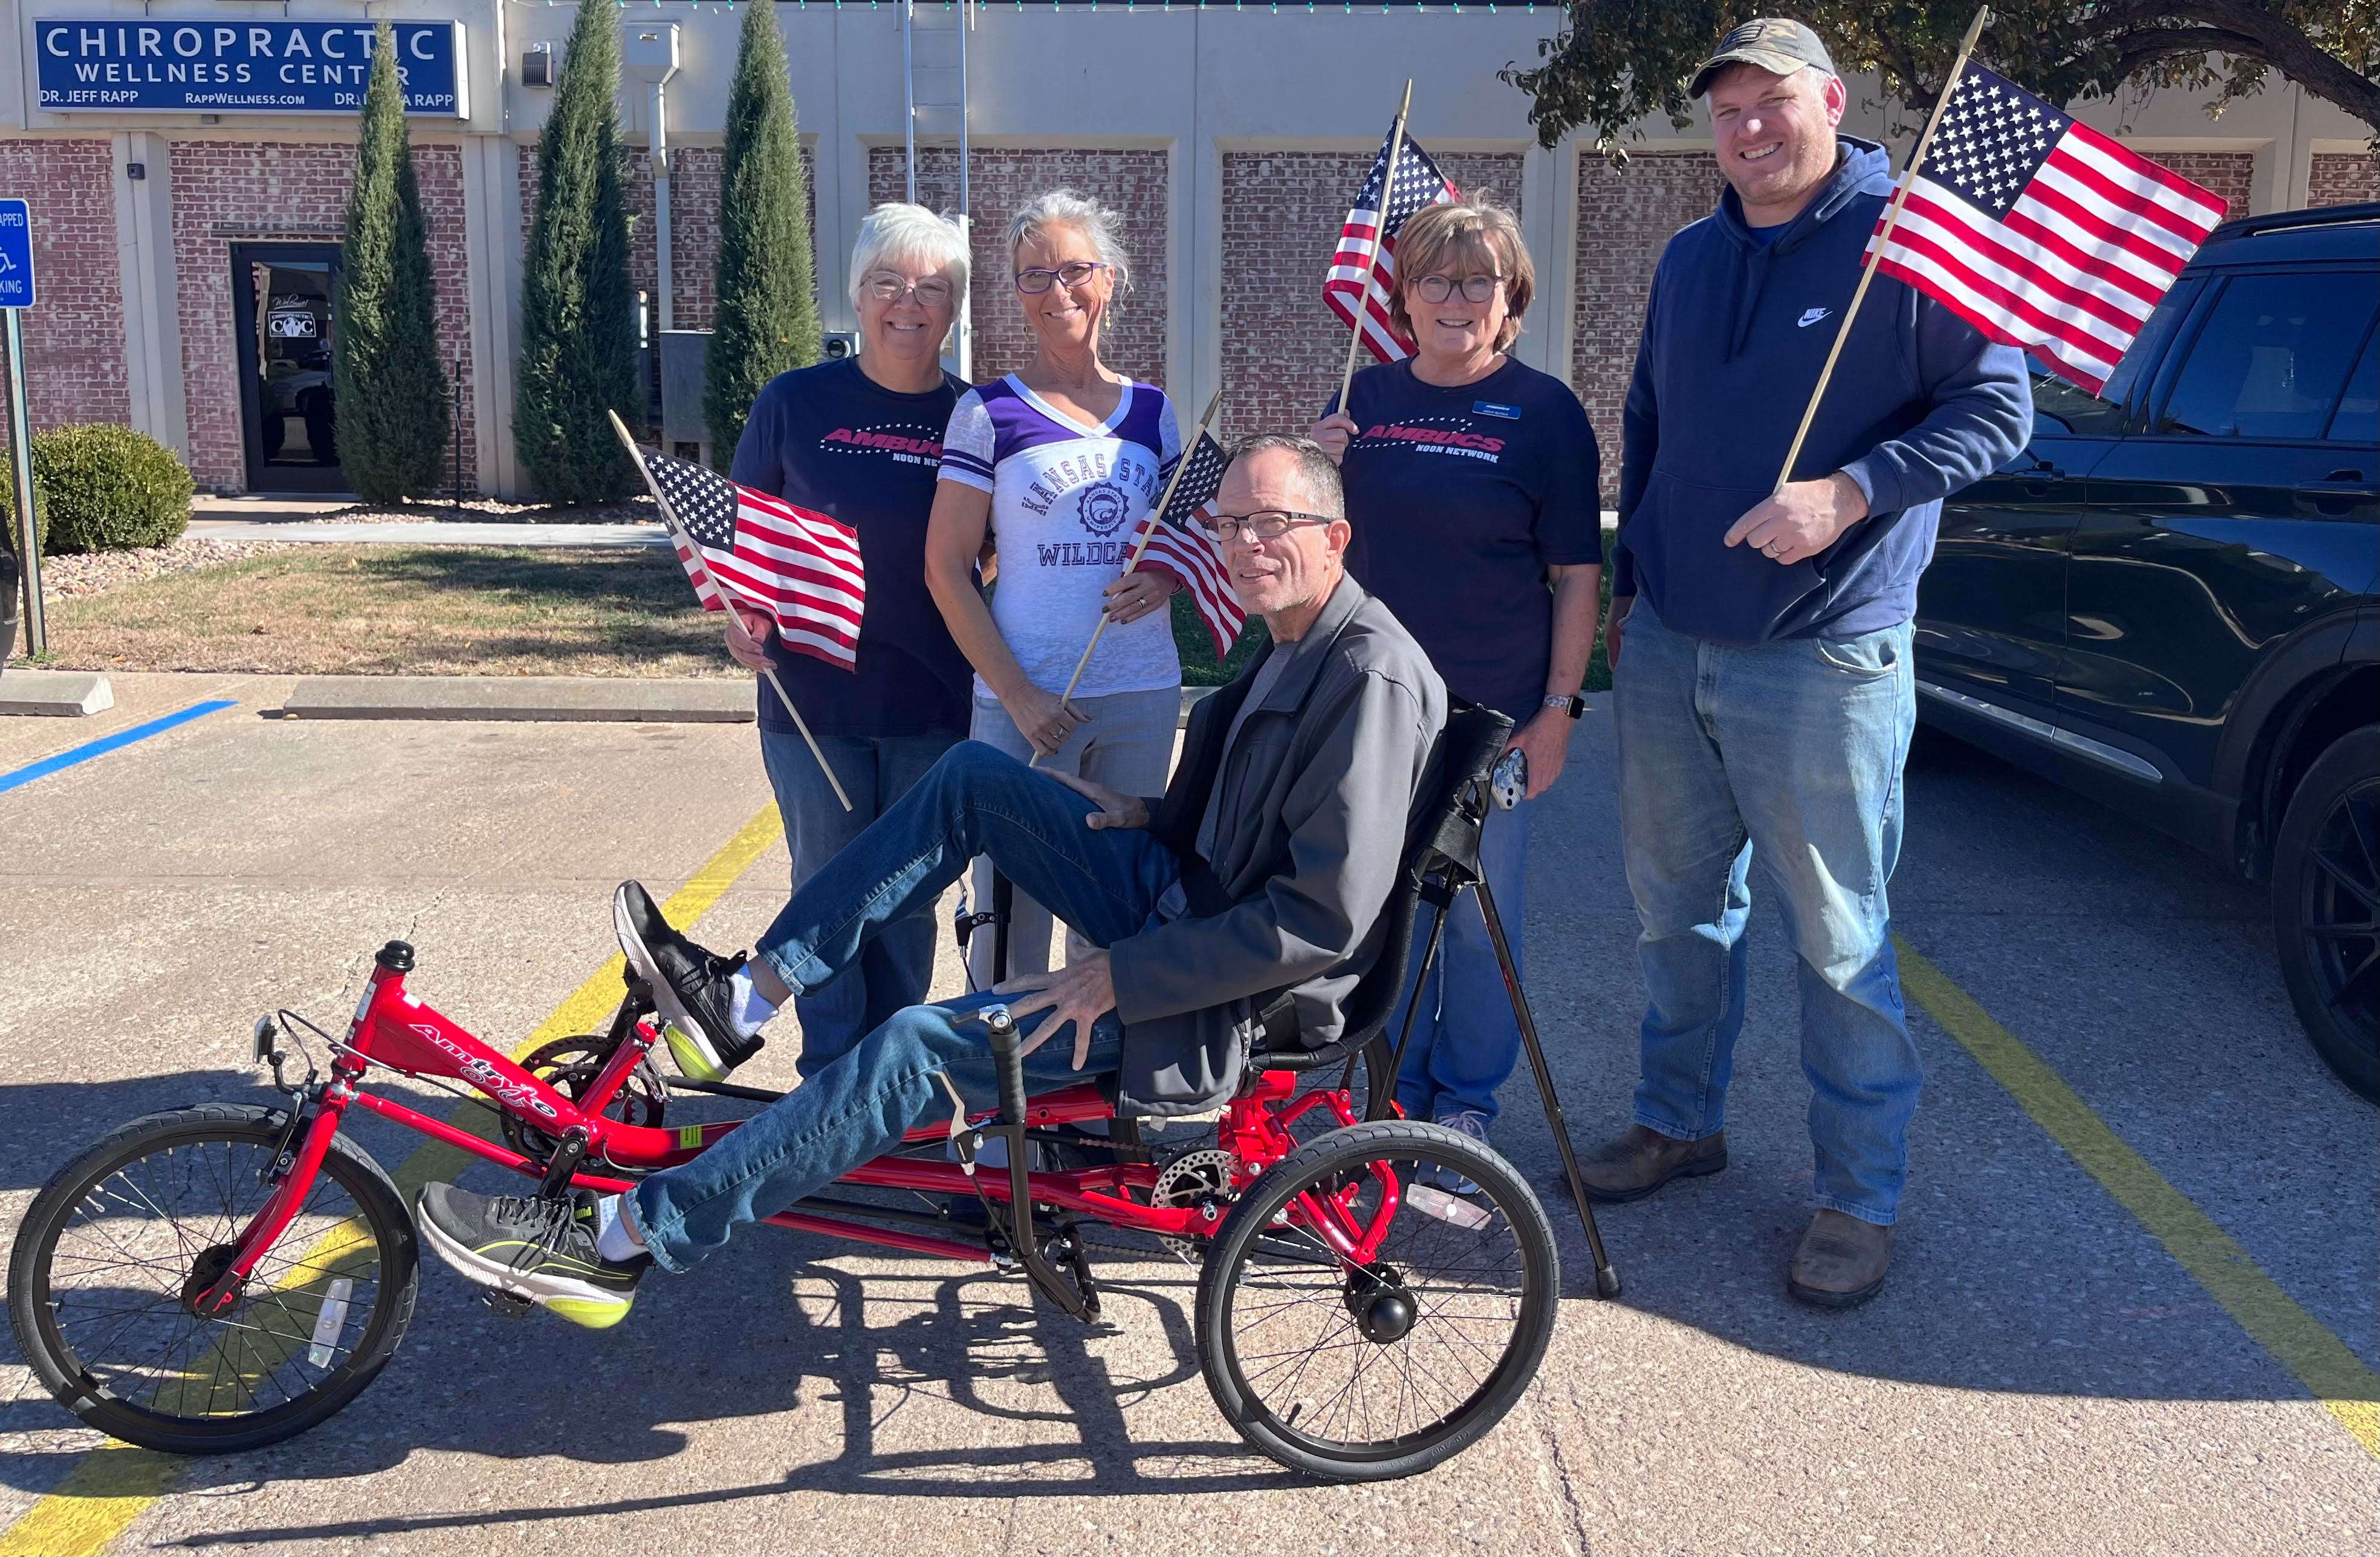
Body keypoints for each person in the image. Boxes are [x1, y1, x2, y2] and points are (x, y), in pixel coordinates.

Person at [414, 435, 1449, 1327]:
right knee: (974, 780)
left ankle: (623, 1238)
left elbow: (1320, 918)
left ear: (1334, 536)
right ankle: (741, 999)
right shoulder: (1296, 643)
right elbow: (1251, 820)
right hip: (1181, 903)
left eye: (1269, 524)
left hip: (1222, 994)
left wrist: (1118, 979)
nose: (1240, 545)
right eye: (1227, 525)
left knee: (914, 1044)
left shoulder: (1367, 678)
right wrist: (1153, 814)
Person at [1584, 18, 2029, 1307]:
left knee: (1839, 941)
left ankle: (1857, 1197)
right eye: (1726, 111)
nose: (1747, 130)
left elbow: (1998, 409)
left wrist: (1849, 492)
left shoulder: (1914, 242)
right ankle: (1679, 1122)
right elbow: (1648, 425)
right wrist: (1631, 592)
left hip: (1822, 657)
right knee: (1675, 916)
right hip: (1672, 644)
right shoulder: (1686, 255)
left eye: (1771, 102)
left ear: (1829, 100)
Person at [1310, 197, 1602, 1178]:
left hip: (1494, 721)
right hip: (1372, 711)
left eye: (1478, 279)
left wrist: (1557, 711)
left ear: (1509, 298)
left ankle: (1464, 1109)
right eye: (1435, 277)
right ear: (1403, 295)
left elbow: (1575, 575)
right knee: (1382, 915)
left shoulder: (1544, 412)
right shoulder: (1367, 402)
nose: (1455, 296)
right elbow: (1318, 559)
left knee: (1479, 925)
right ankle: (1388, 1100)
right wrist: (1319, 472)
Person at [698, 204, 976, 1085]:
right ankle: (827, 1076)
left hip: (933, 700)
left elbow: (1001, 551)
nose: (909, 303)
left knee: (906, 904)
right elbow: (738, 539)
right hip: (813, 700)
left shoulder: (976, 417)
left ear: (955, 307)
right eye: (888, 282)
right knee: (825, 890)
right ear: (856, 295)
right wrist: (743, 618)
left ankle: (887, 1083)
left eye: (933, 287)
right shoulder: (794, 402)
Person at [924, 189, 1185, 987]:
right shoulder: (989, 412)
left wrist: (1167, 575)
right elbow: (945, 566)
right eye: (1033, 276)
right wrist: (1020, 696)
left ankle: (1095, 1100)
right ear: (1014, 292)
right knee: (1009, 925)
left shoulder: (1154, 412)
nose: (1056, 291)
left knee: (1119, 914)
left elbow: (1184, 531)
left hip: (1139, 693)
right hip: (1026, 704)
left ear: (1108, 280)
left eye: (1073, 270)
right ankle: (999, 1102)